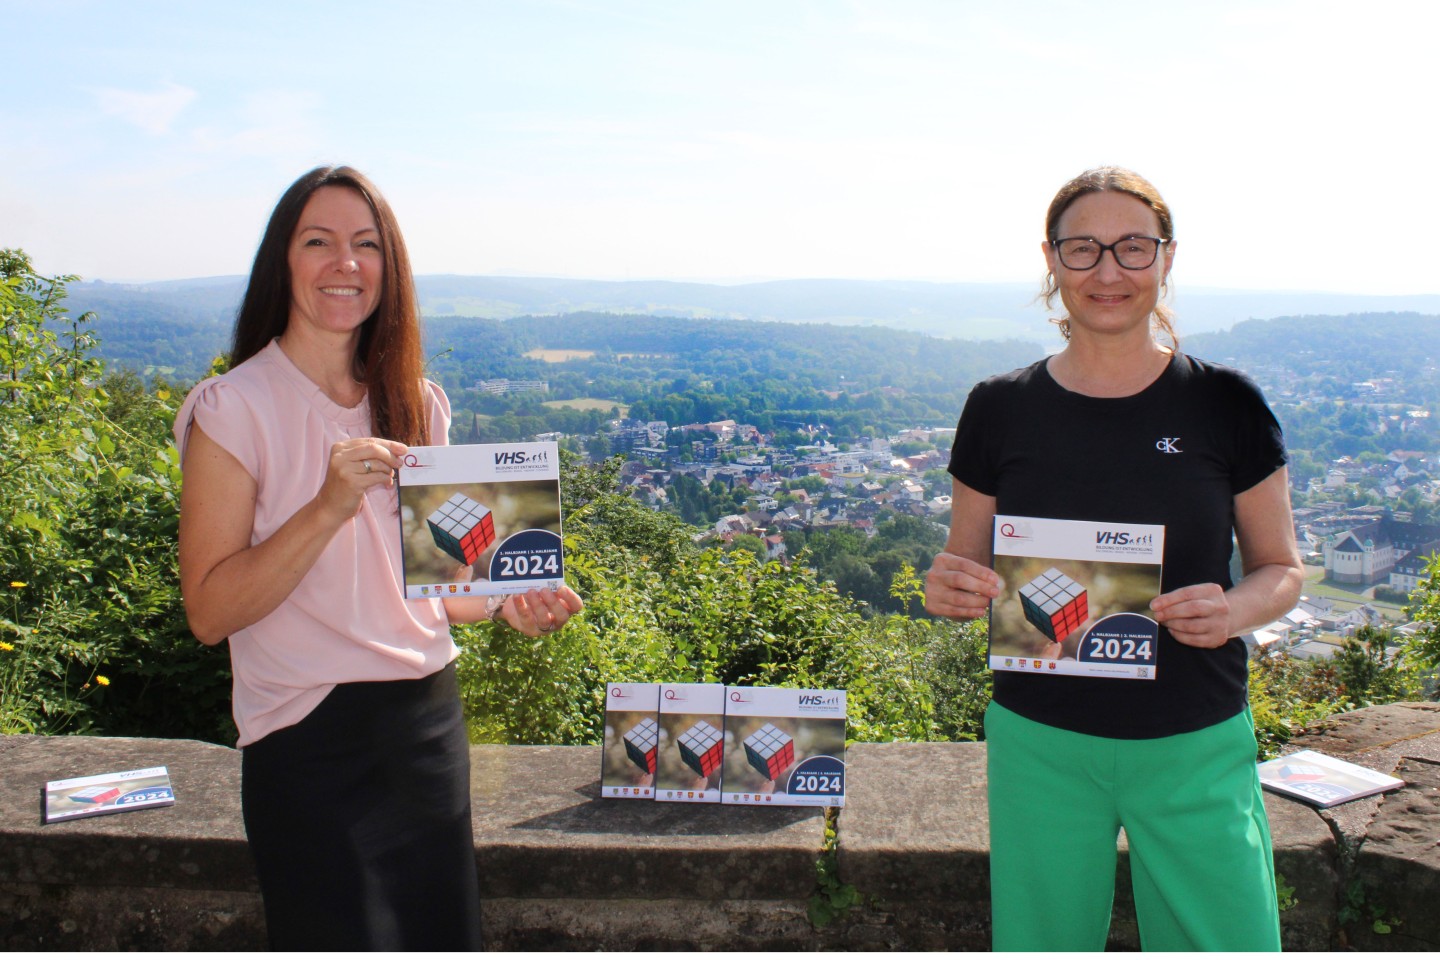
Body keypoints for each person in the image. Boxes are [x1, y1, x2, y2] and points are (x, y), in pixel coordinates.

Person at [174, 165, 584, 950]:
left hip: (425, 728)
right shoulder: (232, 410)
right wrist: (326, 507)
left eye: (367, 245)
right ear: (282, 261)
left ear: (388, 268)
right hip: (306, 741)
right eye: (319, 242)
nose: (346, 264)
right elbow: (210, 611)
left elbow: (438, 586)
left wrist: (506, 601)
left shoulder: (416, 399)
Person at [924, 167, 1302, 952]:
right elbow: (961, 564)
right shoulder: (998, 407)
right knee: (1041, 942)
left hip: (1193, 734)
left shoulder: (1224, 403)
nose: (1107, 272)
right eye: (1082, 249)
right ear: (1051, 261)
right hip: (1039, 738)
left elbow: (1281, 569)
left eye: (1132, 248)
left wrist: (1233, 610)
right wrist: (950, 586)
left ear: (1167, 258)